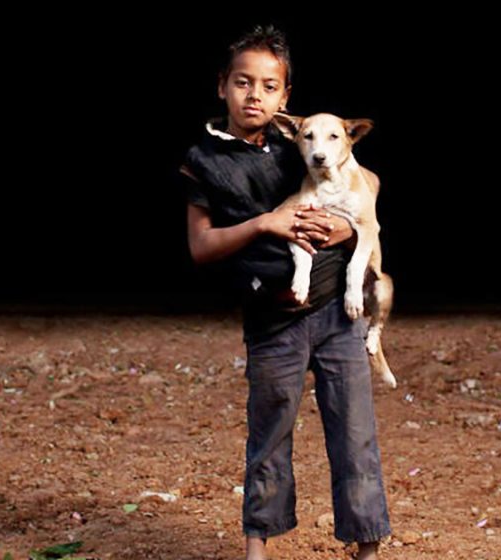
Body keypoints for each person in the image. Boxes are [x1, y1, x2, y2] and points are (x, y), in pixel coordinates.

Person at [180, 24, 391, 560]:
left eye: (269, 86)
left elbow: (367, 180)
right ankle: (256, 548)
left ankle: (367, 546)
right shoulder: (204, 160)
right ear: (221, 86)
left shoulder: (300, 138)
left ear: (285, 98)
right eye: (243, 83)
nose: (255, 95)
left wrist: (346, 229)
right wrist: (264, 224)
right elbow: (202, 248)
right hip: (273, 315)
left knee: (354, 432)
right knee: (269, 434)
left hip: (337, 314)